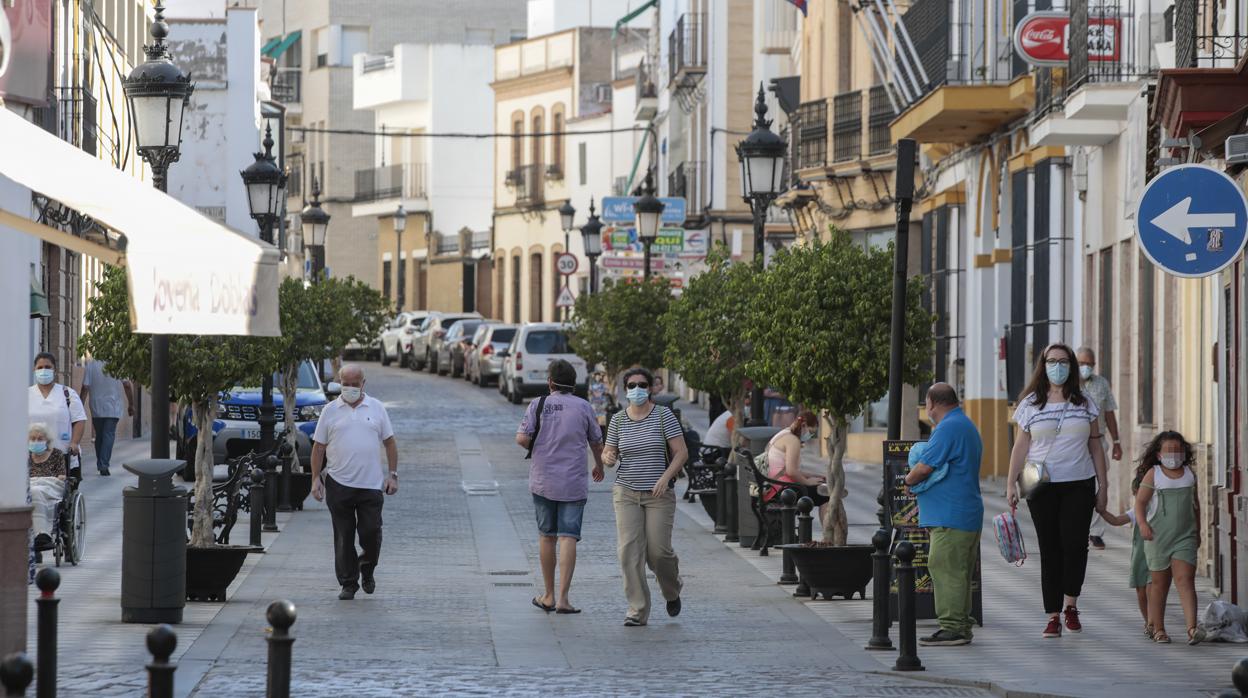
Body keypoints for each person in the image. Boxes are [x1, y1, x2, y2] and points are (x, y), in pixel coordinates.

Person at [1006, 343, 1109, 638]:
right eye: (1052, 361)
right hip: (1041, 486)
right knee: (1050, 549)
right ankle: (1052, 616)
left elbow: (1095, 446)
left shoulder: (1085, 402)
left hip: (1079, 483)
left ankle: (1071, 605)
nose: (1058, 366)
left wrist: (1103, 486)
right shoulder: (1030, 404)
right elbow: (1021, 446)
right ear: (1043, 365)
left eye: (1064, 361)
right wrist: (1010, 482)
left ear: (1072, 366)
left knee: (1075, 545)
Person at [516, 359, 604, 615]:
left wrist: (538, 447)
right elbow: (597, 442)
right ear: (574, 383)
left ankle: (548, 595)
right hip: (574, 481)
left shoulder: (538, 404)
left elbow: (521, 438)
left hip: (543, 480)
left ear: (550, 382)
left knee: (547, 535)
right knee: (568, 536)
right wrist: (599, 466)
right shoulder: (584, 407)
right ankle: (564, 599)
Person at [603, 367, 688, 626]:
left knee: (658, 553)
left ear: (650, 388)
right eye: (631, 385)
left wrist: (665, 477)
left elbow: (681, 452)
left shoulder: (664, 416)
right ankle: (637, 610)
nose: (636, 389)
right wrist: (607, 457)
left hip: (658, 494)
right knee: (629, 552)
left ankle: (672, 590)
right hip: (626, 492)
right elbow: (609, 453)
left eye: (641, 384)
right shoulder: (617, 420)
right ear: (625, 389)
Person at [904, 384, 984, 646]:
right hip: (962, 514)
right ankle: (960, 625)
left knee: (945, 568)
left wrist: (908, 479)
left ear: (931, 404)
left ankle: (952, 627)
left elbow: (924, 466)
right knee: (957, 571)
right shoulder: (964, 424)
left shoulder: (948, 428)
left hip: (951, 517)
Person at [310, 364, 399, 600]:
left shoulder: (377, 408)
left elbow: (390, 442)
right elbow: (318, 447)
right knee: (343, 535)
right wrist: (315, 479)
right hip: (339, 484)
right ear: (340, 383)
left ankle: (367, 567)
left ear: (363, 384)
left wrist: (393, 475)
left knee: (371, 533)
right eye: (345, 384)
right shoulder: (330, 410)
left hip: (371, 485)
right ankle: (348, 583)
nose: (349, 388)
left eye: (354, 384)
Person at [1132, 431, 1204, 645]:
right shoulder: (1153, 474)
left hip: (1185, 536)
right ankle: (1159, 629)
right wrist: (1143, 524)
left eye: (1178, 450)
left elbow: (1196, 506)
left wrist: (1198, 532)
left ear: (1185, 452)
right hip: (1158, 537)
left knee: (1186, 580)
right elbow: (1140, 504)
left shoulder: (1190, 474)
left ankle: (1192, 628)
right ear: (1158, 454)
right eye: (1169, 450)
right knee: (1159, 584)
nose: (1174, 454)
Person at [1077, 347, 1122, 549]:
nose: (1085, 367)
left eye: (1089, 364)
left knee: (1099, 484)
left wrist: (1117, 442)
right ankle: (1078, 528)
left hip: (1099, 440)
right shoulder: (1067, 385)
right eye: (1081, 363)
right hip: (1076, 442)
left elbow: (1110, 413)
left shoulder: (1102, 384)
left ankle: (1095, 532)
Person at [1096, 490, 1151, 637]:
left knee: (1153, 590)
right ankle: (1148, 621)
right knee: (1141, 590)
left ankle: (1155, 622)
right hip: (1140, 557)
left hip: (1156, 556)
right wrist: (1102, 512)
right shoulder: (1136, 512)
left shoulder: (1159, 509)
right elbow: (1116, 520)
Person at [763, 411, 829, 520]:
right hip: (781, 490)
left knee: (820, 486)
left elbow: (787, 469)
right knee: (825, 494)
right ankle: (827, 535)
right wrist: (808, 481)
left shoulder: (785, 434)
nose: (810, 436)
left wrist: (811, 475)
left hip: (773, 486)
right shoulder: (793, 440)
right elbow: (791, 471)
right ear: (803, 425)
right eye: (811, 432)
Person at [27, 352, 86, 473]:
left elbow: (79, 420)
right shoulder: (26, 395)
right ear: (34, 370)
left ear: (54, 370)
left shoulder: (67, 394)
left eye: (48, 367)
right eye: (40, 367)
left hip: (63, 456)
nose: (44, 370)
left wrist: (74, 443)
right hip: (32, 457)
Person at [80, 358, 133, 476]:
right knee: (108, 434)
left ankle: (101, 463)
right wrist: (131, 404)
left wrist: (80, 405)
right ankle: (103, 464)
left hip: (96, 405)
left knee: (100, 434)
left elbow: (85, 387)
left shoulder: (91, 364)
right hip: (114, 405)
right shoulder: (119, 364)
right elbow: (127, 385)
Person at [27, 422, 68, 553]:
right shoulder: (26, 456)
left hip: (51, 487)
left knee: (35, 491)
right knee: (34, 490)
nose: (35, 441)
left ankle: (42, 533)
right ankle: (41, 534)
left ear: (47, 440)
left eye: (39, 439)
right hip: (32, 485)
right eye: (32, 439)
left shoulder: (57, 454)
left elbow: (62, 476)